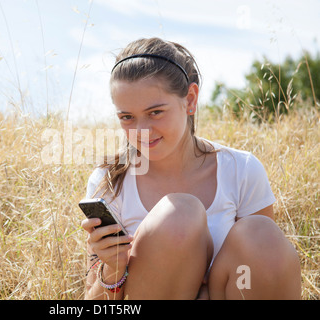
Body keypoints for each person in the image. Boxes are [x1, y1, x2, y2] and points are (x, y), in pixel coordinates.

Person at [81, 37, 301, 300]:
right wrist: (113, 268)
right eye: (127, 117)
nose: (141, 131)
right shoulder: (109, 181)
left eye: (155, 112)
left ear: (190, 100)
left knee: (262, 234)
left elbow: (264, 272)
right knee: (179, 217)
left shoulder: (241, 170)